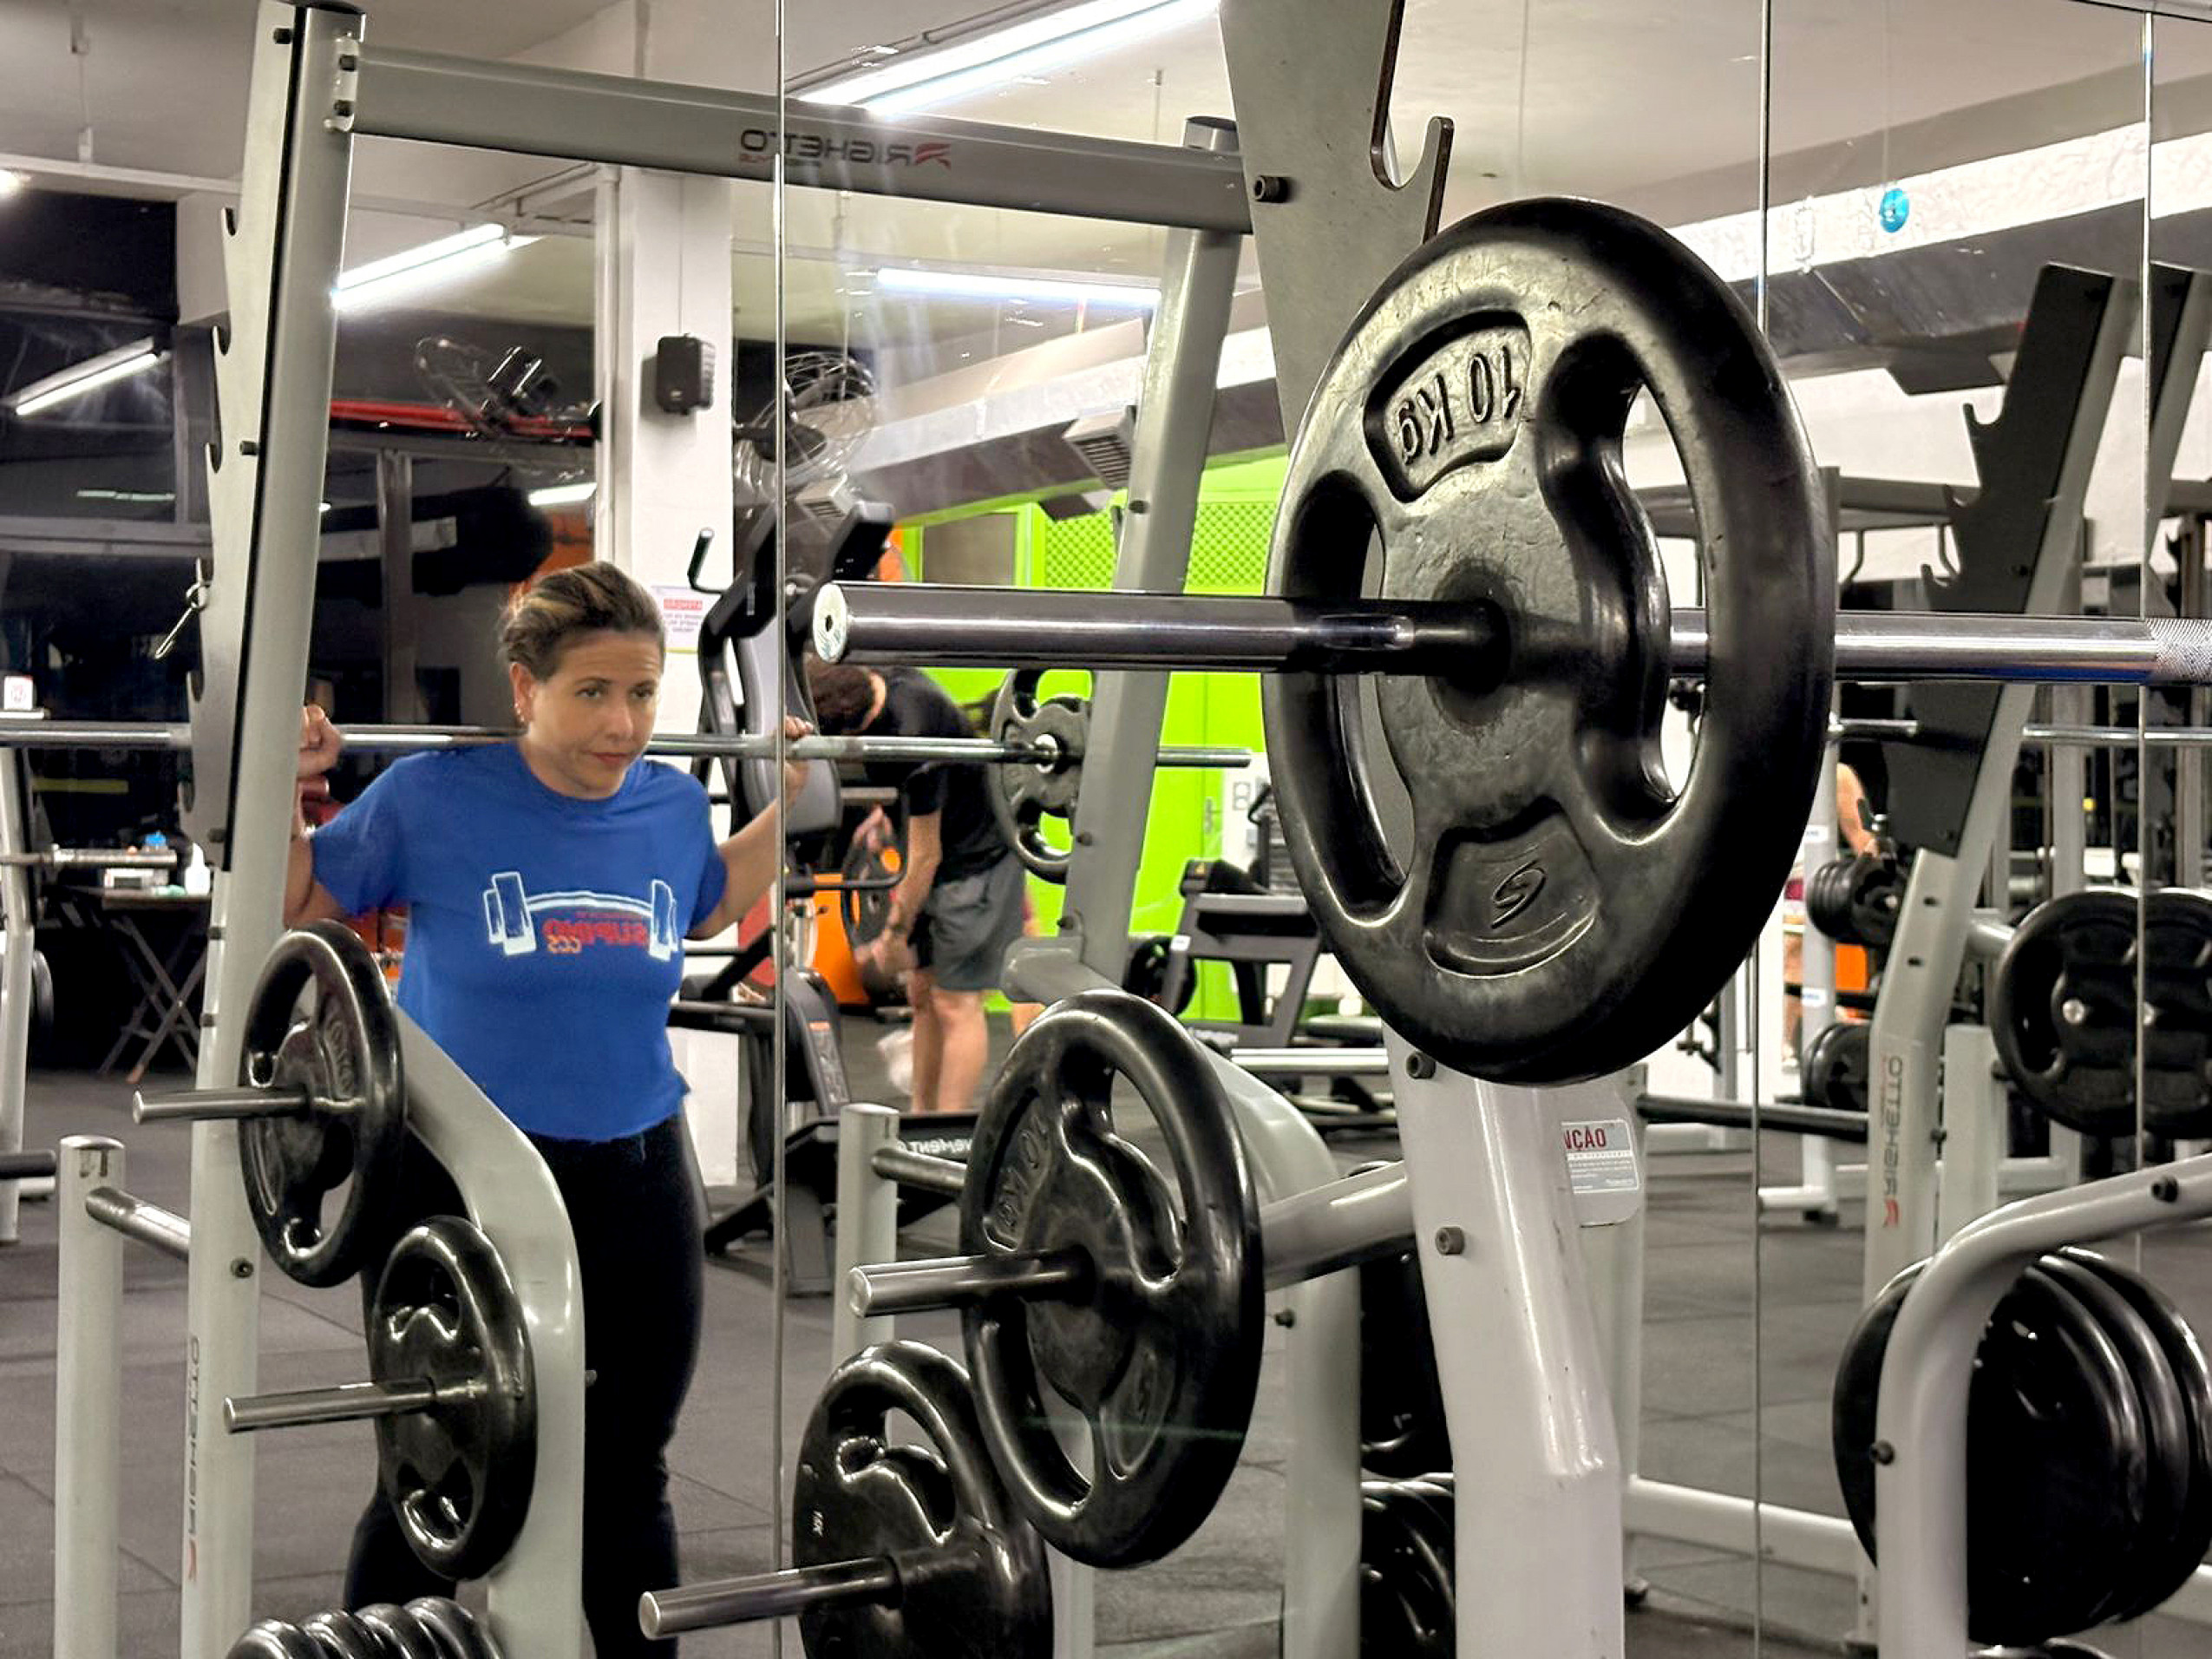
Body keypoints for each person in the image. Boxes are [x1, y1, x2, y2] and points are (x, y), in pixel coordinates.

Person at [288, 561, 805, 1656]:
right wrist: (282, 791)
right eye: (592, 693)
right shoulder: (432, 797)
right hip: (456, 1183)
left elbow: (706, 898)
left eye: (643, 694)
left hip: (637, 1172)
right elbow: (296, 909)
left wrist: (791, 805)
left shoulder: (667, 801)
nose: (623, 724)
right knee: (438, 1463)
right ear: (524, 690)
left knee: (627, 1470)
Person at [804, 658, 1025, 1115]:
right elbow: (922, 801)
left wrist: (893, 935)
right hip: (939, 844)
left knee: (955, 1003)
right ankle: (921, 1119)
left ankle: (949, 1130)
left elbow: (926, 856)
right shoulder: (877, 681)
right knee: (922, 995)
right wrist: (888, 818)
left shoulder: (912, 734)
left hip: (975, 859)